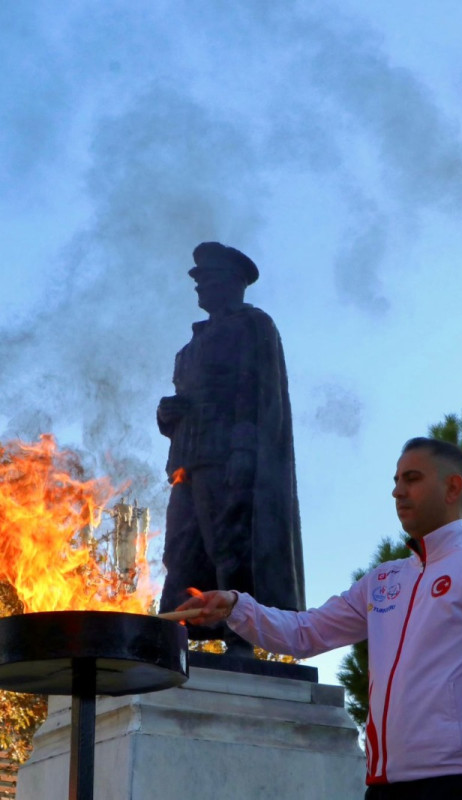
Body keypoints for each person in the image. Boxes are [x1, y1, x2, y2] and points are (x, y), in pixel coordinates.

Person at [178, 437, 462, 800]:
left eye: (412, 479)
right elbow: (305, 633)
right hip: (382, 787)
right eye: (396, 481)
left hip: (460, 781)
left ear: (453, 487)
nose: (398, 492)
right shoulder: (383, 579)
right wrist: (235, 606)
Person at [158, 242, 304, 658]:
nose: (199, 287)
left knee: (231, 546)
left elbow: (256, 393)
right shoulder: (190, 347)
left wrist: (243, 453)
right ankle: (178, 631)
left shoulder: (252, 326)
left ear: (230, 283)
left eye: (206, 279)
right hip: (188, 461)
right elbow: (186, 404)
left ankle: (241, 636)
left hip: (228, 459)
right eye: (198, 280)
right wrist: (167, 415)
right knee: (180, 550)